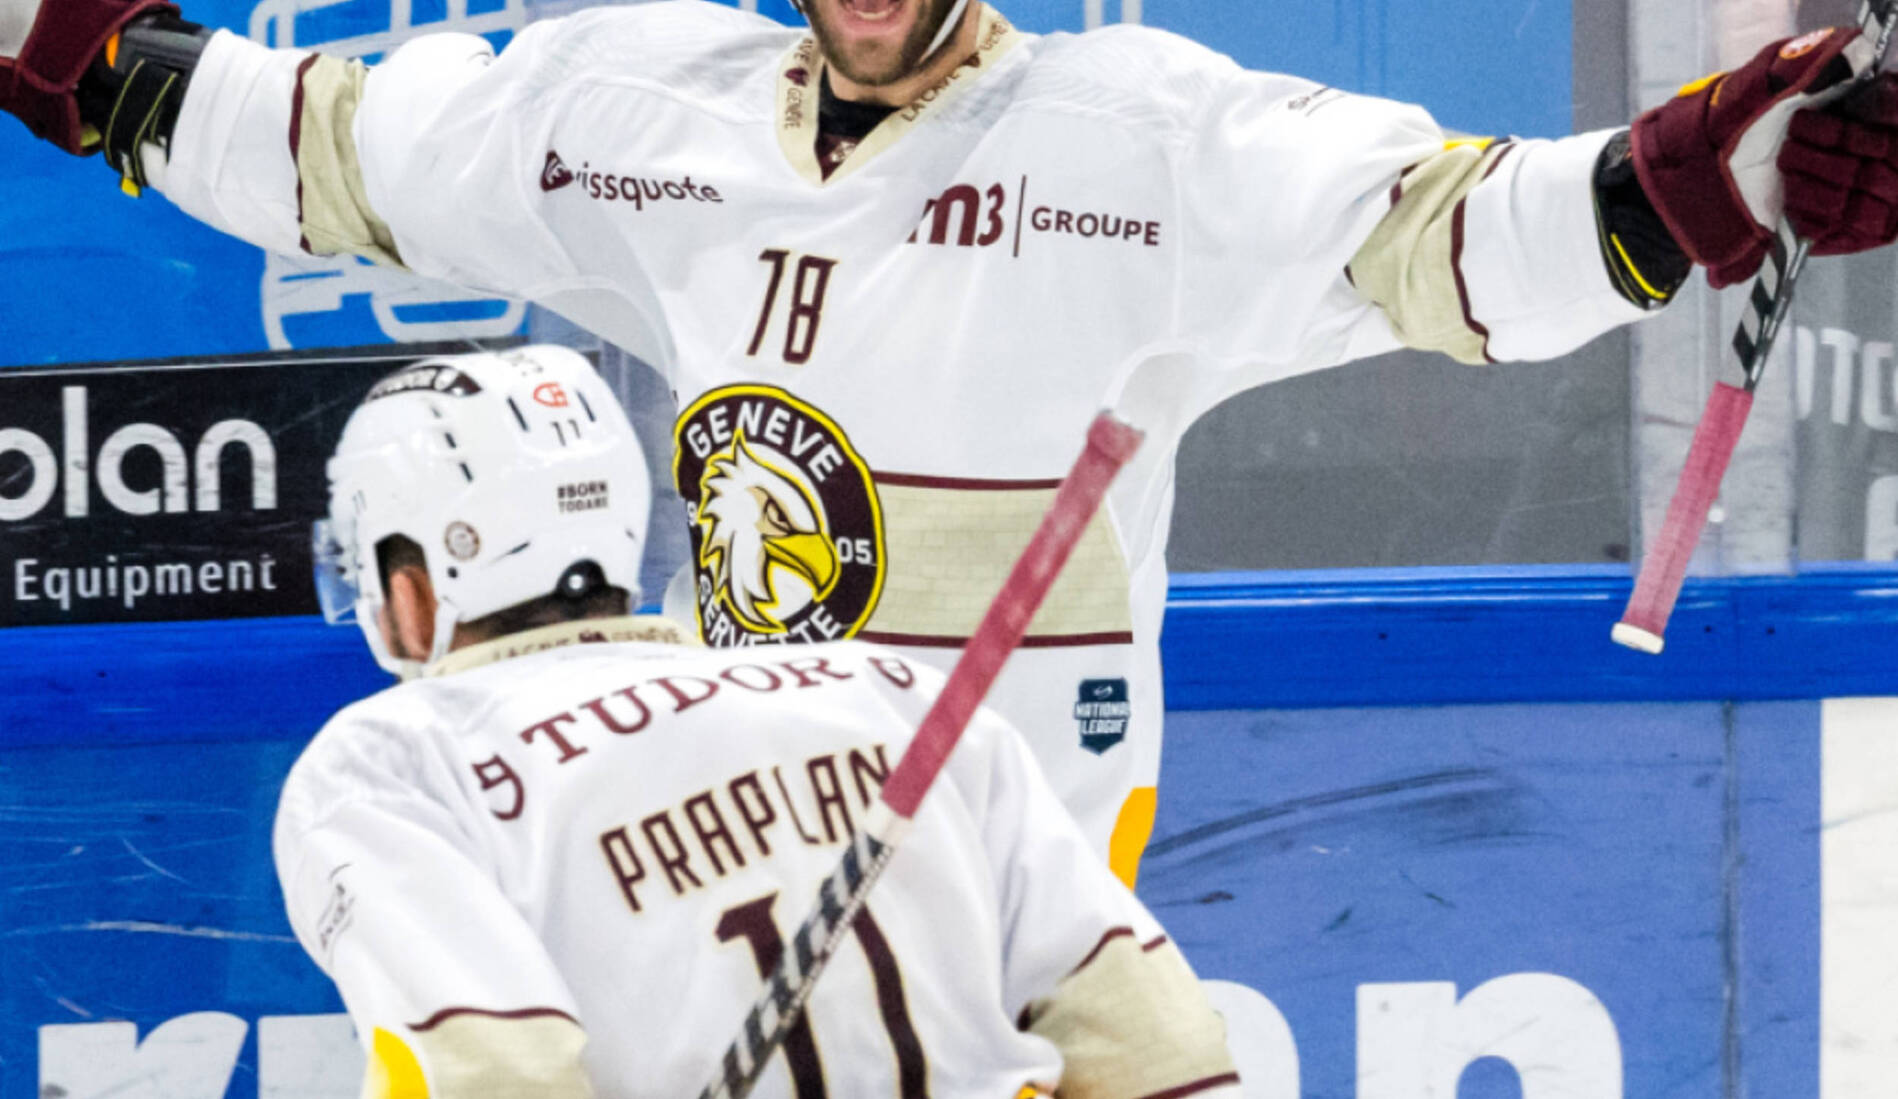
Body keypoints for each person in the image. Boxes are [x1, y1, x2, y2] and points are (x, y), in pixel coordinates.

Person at [7, 0, 1898, 886]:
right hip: (723, 879)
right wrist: (91, 57)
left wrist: (1717, 160)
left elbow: (1459, 233)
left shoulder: (1144, 144)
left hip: (1018, 908)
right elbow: (336, 145)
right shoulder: (638, 112)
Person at [278, 343, 1239, 1097]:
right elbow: (1161, 1044)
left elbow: (495, 1068)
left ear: (412, 585)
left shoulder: (390, 761)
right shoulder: (891, 694)